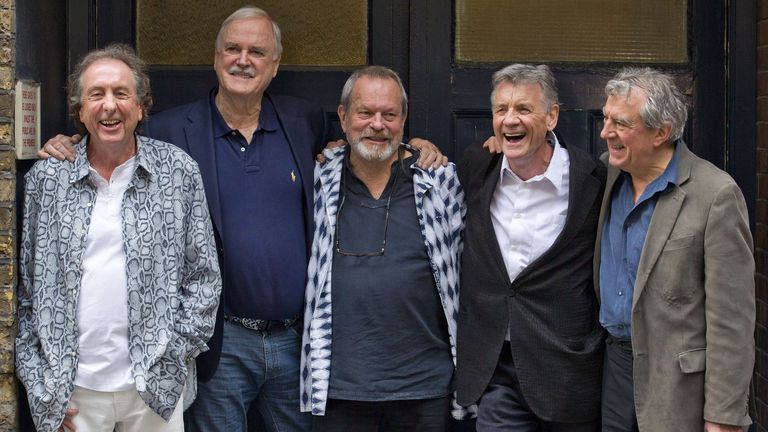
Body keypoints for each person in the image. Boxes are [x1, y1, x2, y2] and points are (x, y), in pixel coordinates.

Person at [39, 7, 445, 431]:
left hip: (294, 341)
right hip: (221, 343)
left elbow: (369, 134)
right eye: (232, 48)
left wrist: (414, 146)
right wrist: (69, 143)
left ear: (274, 66)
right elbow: (112, 138)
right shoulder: (170, 130)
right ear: (216, 58)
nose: (243, 60)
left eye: (256, 51)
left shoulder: (301, 120)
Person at [16, 43, 221, 432]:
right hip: (72, 392)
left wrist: (171, 363)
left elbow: (204, 280)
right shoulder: (47, 181)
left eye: (121, 93)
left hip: (153, 390)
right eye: (97, 94)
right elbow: (28, 293)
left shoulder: (178, 173)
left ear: (141, 107)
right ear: (80, 110)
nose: (109, 105)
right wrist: (43, 389)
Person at [300, 65, 467, 431]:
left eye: (389, 115)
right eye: (365, 113)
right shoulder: (317, 180)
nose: (377, 124)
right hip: (338, 387)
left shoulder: (439, 181)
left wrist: (503, 143)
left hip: (424, 387)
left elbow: (475, 260)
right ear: (343, 117)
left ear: (403, 119)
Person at [596, 67, 755, 432]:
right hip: (614, 370)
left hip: (678, 385)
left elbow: (732, 320)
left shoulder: (715, 194)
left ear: (661, 132)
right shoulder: (605, 175)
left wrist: (724, 416)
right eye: (606, 118)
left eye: (620, 123)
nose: (605, 132)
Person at [457, 64, 605, 431]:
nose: (510, 121)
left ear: (552, 116)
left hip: (566, 370)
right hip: (498, 369)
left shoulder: (592, 180)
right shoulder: (478, 165)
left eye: (523, 109)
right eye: (501, 110)